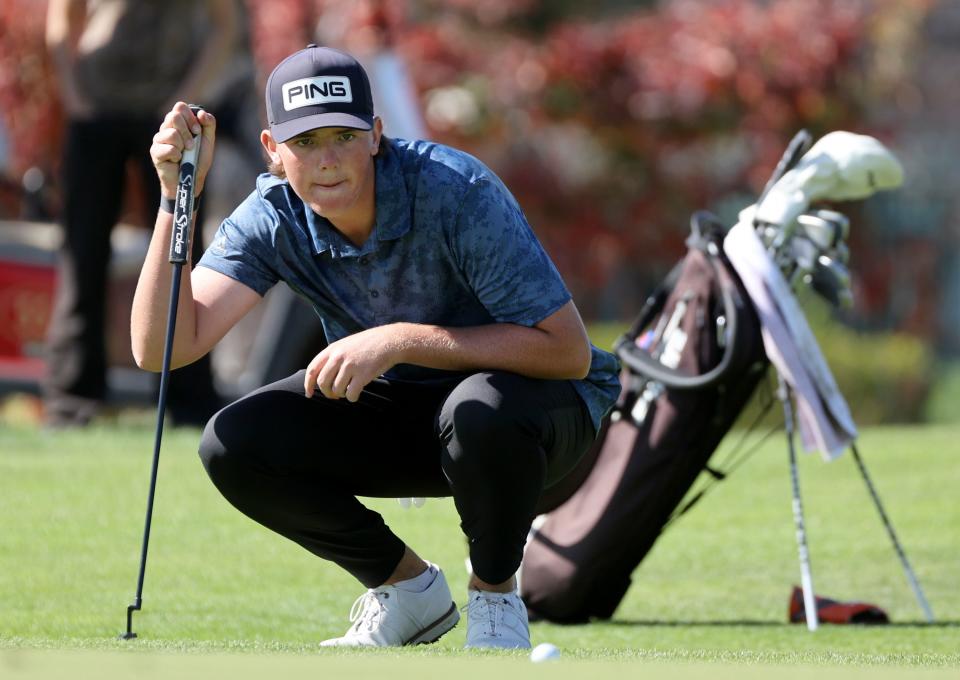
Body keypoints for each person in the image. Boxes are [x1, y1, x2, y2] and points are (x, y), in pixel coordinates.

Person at [132, 45, 621, 649]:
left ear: (376, 136)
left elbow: (568, 353)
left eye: (343, 136)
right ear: (272, 151)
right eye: (306, 143)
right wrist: (174, 199)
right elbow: (161, 349)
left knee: (478, 410)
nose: (327, 160)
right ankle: (408, 591)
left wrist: (395, 341)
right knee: (234, 444)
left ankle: (496, 599)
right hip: (411, 418)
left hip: (537, 418)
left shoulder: (454, 190)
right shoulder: (272, 215)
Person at [42, 0, 251, 427]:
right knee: (82, 252)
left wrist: (189, 96)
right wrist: (76, 100)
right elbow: (61, 23)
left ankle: (190, 399)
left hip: (168, 112)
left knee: (183, 248)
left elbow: (224, 27)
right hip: (96, 108)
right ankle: (72, 399)